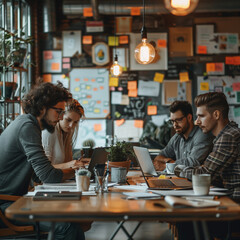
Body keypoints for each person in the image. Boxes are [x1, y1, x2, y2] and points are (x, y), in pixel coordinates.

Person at [0, 82, 85, 240]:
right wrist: (76, 173)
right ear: (42, 108)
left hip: (15, 201)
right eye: (58, 112)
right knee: (68, 228)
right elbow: (47, 175)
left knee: (74, 222)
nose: (60, 117)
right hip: (6, 206)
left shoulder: (29, 124)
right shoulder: (27, 126)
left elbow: (38, 176)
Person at [175, 92, 240, 240]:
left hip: (234, 208)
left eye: (201, 116)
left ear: (216, 114)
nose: (197, 122)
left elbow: (205, 174)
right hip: (229, 201)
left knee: (185, 221)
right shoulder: (226, 134)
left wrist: (177, 170)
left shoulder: (228, 137)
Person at [153, 100, 213, 171]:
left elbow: (192, 163)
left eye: (178, 120)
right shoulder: (177, 136)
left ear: (189, 118)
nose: (175, 125)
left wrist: (167, 166)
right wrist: (168, 161)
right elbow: (159, 157)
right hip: (180, 179)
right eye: (172, 121)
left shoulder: (202, 135)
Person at [42, 99, 88, 170]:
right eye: (68, 120)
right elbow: (42, 168)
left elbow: (67, 163)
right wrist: (69, 164)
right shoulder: (49, 132)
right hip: (48, 180)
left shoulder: (66, 134)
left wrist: (79, 163)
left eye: (75, 122)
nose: (71, 125)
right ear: (60, 115)